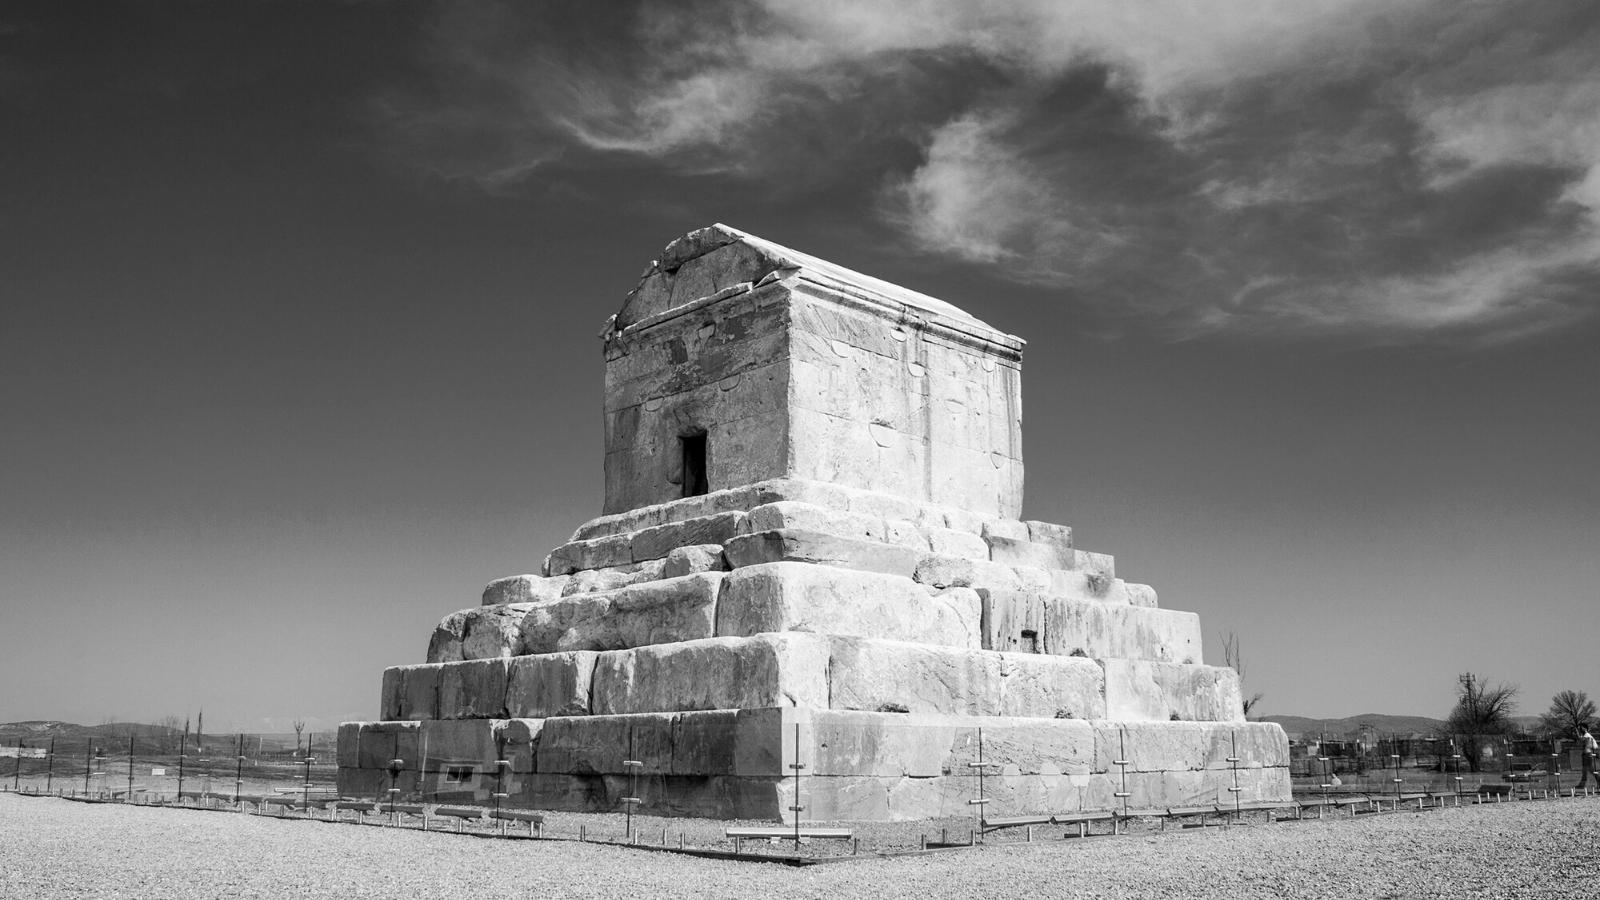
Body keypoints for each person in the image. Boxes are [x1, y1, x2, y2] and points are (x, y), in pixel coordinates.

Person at [1579, 725, 1599, 791]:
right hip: (1587, 754)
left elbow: (1582, 741)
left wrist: (1577, 734)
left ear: (1585, 728)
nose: (1580, 729)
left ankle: (1582, 785)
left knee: (1589, 769)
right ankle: (1582, 784)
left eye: (1581, 728)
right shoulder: (1587, 735)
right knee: (1587, 770)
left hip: (1587, 754)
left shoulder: (1587, 736)